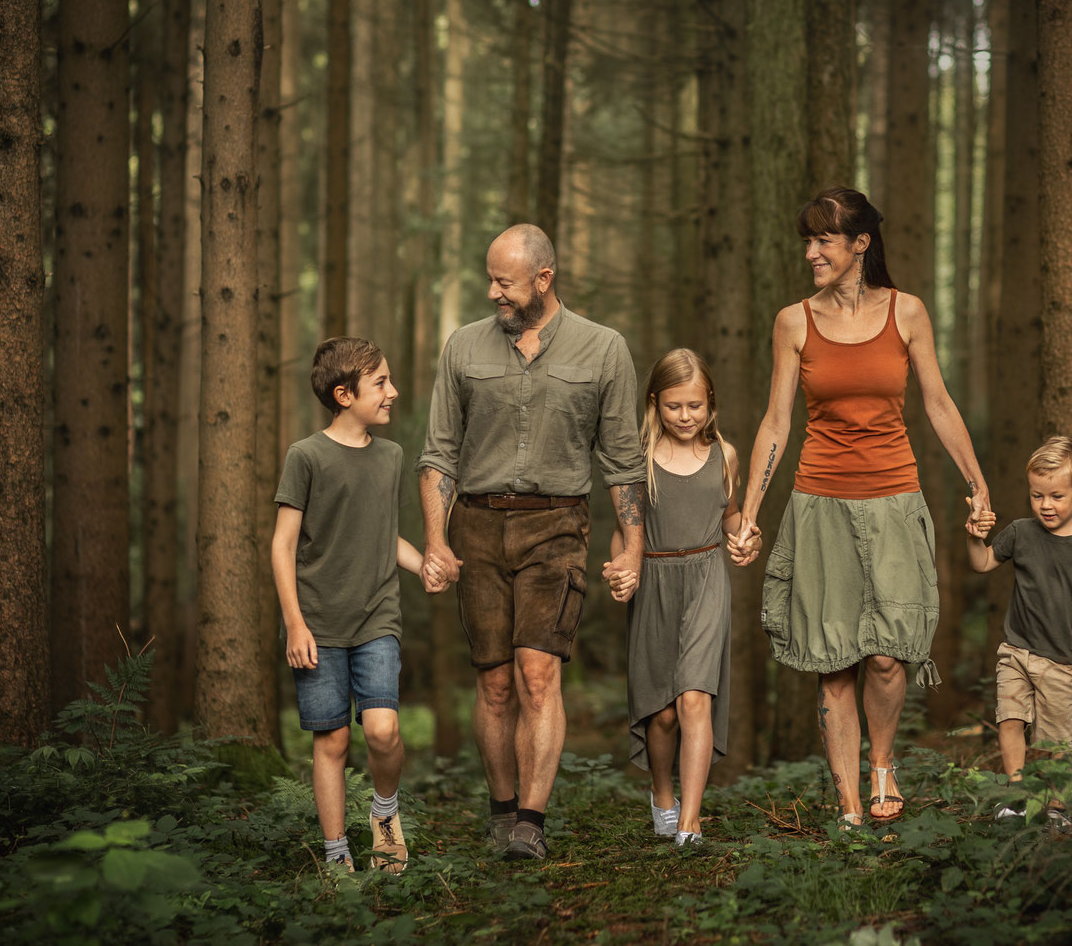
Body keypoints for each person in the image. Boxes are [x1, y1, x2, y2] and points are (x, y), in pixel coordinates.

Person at [734, 186, 990, 827]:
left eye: (825, 239)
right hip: (820, 502)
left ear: (861, 243)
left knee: (886, 654)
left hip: (894, 498)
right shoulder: (794, 321)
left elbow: (937, 402)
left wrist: (977, 484)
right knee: (834, 659)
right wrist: (749, 513)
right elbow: (775, 422)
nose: (812, 252)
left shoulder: (907, 313)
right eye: (809, 240)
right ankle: (850, 801)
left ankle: (883, 765)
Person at [416, 224, 648, 862]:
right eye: (489, 279)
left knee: (538, 674)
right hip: (478, 527)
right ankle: (498, 810)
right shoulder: (463, 348)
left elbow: (624, 463)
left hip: (558, 528)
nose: (493, 292)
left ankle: (531, 823)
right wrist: (436, 542)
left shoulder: (604, 350)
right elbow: (438, 456)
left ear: (543, 280)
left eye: (504, 282)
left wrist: (631, 548)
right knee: (494, 683)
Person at [272, 336, 436, 874]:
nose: (394, 391)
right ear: (344, 394)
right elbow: (283, 545)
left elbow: (383, 535)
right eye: (381, 383)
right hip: (317, 623)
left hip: (376, 618)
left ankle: (384, 813)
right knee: (334, 740)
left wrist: (426, 563)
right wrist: (295, 625)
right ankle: (337, 853)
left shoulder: (390, 458)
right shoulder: (306, 457)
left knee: (384, 731)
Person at [608, 349, 759, 847]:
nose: (686, 417)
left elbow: (732, 516)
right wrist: (621, 571)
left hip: (705, 578)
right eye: (674, 406)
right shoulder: (638, 460)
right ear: (655, 404)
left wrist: (746, 537)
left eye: (695, 406)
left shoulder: (725, 456)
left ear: (710, 404)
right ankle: (663, 794)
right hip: (653, 579)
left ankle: (690, 822)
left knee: (695, 697)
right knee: (663, 711)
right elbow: (623, 532)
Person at [964, 435, 1072, 827]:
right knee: (1009, 719)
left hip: (1062, 661)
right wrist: (974, 535)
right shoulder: (1020, 533)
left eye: (1056, 496)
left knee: (1055, 739)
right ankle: (1015, 794)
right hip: (1016, 650)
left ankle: (1055, 806)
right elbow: (981, 564)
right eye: (1037, 495)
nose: (1046, 505)